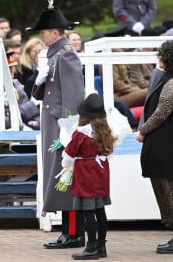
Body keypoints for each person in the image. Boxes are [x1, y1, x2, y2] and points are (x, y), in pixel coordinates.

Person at [26, 0, 85, 249]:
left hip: (62, 123)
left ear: (55, 32)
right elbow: (44, 92)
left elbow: (72, 95)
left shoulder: (66, 55)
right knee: (58, 174)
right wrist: (37, 81)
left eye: (44, 31)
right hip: (53, 121)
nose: (41, 35)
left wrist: (69, 128)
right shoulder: (53, 55)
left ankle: (73, 232)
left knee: (65, 173)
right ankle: (68, 231)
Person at [59, 93, 116, 260]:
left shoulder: (81, 133)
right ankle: (101, 246)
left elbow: (68, 155)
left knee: (88, 212)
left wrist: (66, 167)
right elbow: (109, 152)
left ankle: (90, 247)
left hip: (86, 174)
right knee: (100, 210)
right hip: (101, 173)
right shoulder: (105, 131)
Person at [136, 40, 173, 254]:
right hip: (163, 144)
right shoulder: (165, 78)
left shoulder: (171, 82)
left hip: (165, 145)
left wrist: (143, 131)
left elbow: (162, 112)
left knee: (168, 191)